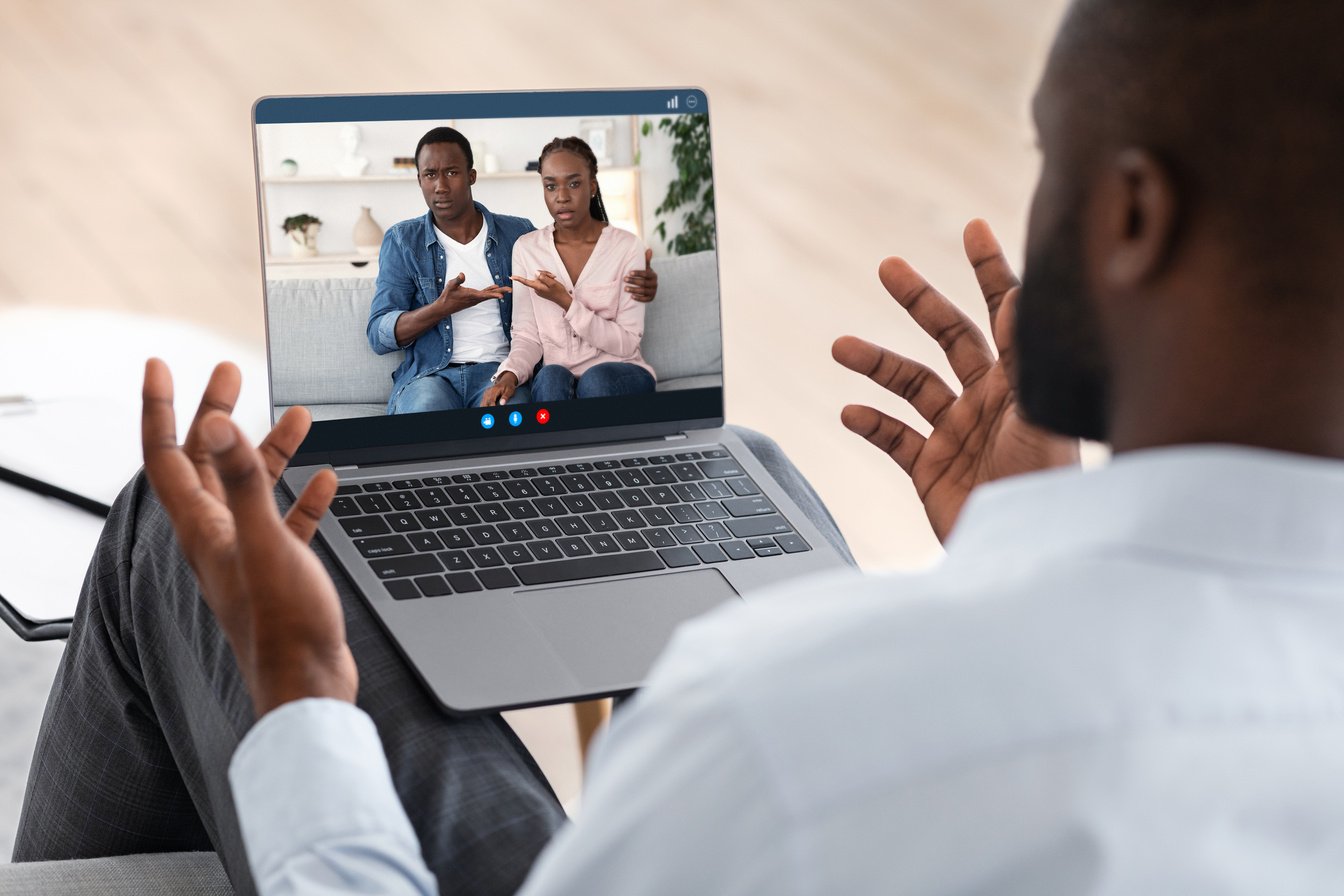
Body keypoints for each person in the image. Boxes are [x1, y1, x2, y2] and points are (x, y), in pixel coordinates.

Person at [18, 0, 1344, 891]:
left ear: (1129, 214)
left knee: (176, 523)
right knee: (749, 467)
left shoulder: (779, 726)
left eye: (1051, 152)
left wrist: (308, 695)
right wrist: (1006, 581)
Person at [366, 127, 659, 415]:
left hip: (498, 371)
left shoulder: (517, 235)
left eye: (452, 173)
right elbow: (378, 335)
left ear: (472, 176)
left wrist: (647, 282)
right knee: (426, 411)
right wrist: (440, 309)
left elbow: (556, 285)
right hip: (432, 376)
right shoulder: (403, 241)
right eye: (430, 175)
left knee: (522, 417)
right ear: (419, 180)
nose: (440, 186)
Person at [482, 137, 657, 407]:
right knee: (550, 377)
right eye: (551, 186)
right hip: (560, 376)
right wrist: (509, 373)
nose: (561, 197)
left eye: (574, 184)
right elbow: (527, 336)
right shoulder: (527, 249)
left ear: (592, 187)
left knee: (594, 381)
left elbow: (626, 344)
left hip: (622, 372)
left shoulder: (626, 247)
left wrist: (565, 300)